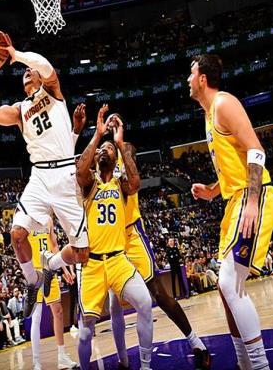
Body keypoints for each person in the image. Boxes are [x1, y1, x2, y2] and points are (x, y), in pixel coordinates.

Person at [0, 37, 89, 317]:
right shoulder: (20, 110)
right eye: (24, 72)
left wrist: (16, 54)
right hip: (40, 175)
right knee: (17, 235)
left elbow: (45, 65)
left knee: (83, 254)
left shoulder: (52, 91)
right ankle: (33, 280)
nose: (28, 72)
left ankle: (51, 264)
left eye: (31, 71)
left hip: (65, 173)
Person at [188, 54, 273, 370]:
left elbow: (256, 151)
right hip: (233, 200)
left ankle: (259, 365)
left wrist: (252, 201)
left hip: (253, 196)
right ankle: (243, 363)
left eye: (191, 73)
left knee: (229, 283)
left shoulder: (224, 103)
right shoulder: (208, 114)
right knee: (225, 290)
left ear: (202, 79)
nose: (187, 79)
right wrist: (212, 190)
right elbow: (233, 165)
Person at [107, 128, 211, 369]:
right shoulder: (104, 168)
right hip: (112, 239)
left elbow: (129, 176)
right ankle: (123, 361)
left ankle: (196, 343)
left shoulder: (126, 160)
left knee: (158, 293)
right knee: (113, 304)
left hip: (133, 235)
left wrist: (119, 143)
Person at [76, 106, 153, 370]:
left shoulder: (121, 184)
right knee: (85, 330)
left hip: (118, 260)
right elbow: (80, 171)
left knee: (145, 303)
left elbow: (136, 183)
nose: (104, 150)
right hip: (93, 265)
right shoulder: (90, 183)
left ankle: (145, 366)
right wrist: (98, 135)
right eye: (102, 149)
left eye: (109, 149)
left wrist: (119, 143)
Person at [29, 219, 77, 370]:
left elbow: (54, 246)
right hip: (34, 273)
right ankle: (36, 361)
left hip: (49, 269)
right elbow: (19, 246)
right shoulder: (26, 218)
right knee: (36, 316)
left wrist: (65, 269)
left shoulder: (48, 220)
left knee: (58, 312)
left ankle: (62, 357)